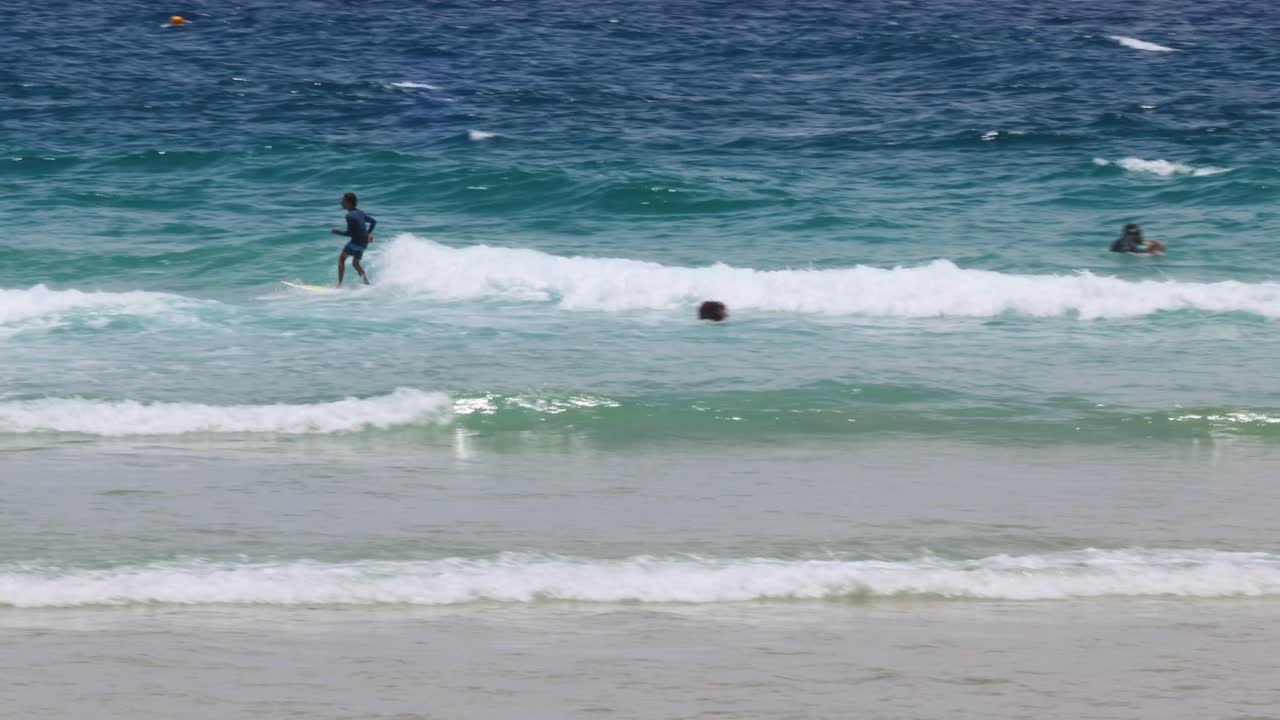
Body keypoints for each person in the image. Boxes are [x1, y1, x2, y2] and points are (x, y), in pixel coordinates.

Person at [331, 192, 377, 286]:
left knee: (341, 259)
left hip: (355, 243)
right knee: (355, 264)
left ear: (349, 202)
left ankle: (339, 284)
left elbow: (349, 234)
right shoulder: (360, 212)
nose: (341, 203)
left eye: (343, 201)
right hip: (364, 244)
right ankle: (366, 283)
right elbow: (373, 222)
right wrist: (368, 233)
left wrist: (336, 232)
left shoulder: (349, 215)